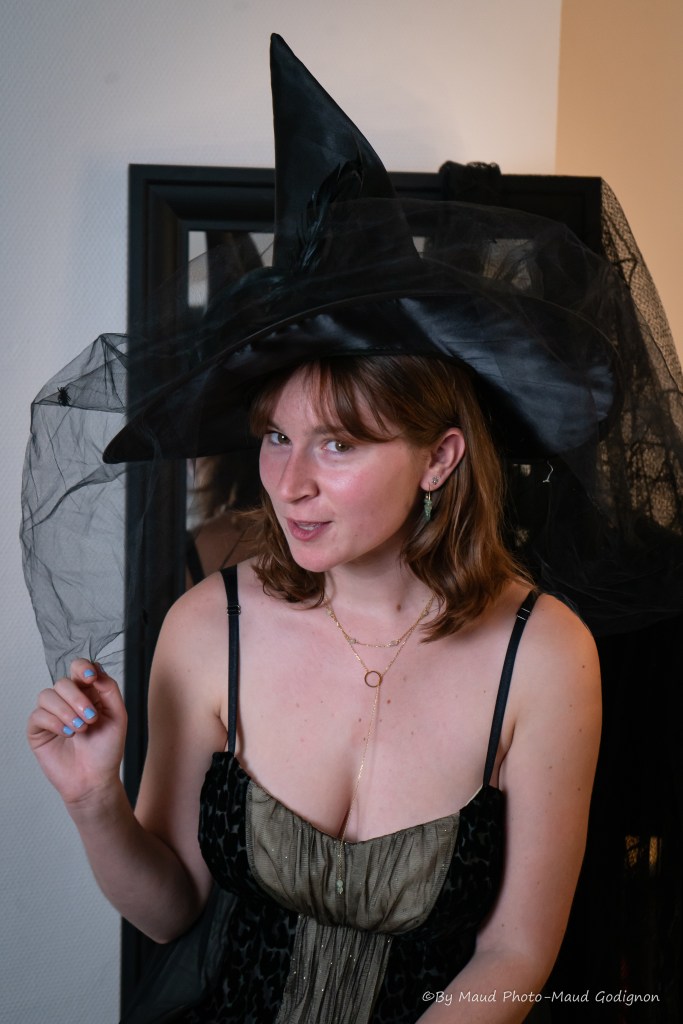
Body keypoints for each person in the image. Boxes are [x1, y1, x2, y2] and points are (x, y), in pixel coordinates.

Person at [22, 34, 682, 1024]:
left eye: (337, 444)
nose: (288, 483)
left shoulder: (545, 657)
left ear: (438, 458)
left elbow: (513, 953)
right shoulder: (207, 627)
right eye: (275, 438)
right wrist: (92, 801)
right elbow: (170, 913)